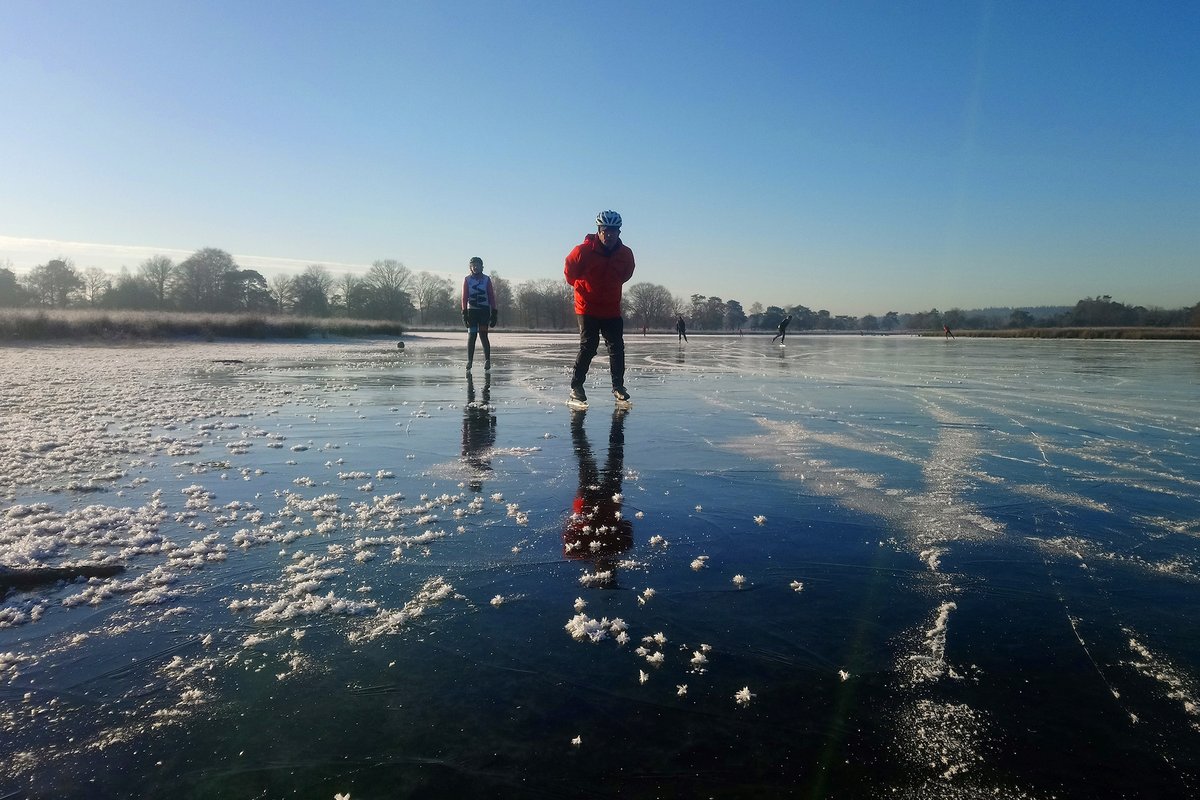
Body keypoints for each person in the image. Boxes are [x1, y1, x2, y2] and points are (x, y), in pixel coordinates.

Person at [564, 210, 636, 404]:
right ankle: (576, 386)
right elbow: (569, 273)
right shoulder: (582, 251)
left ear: (619, 232)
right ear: (599, 231)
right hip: (587, 306)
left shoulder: (625, 254)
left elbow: (626, 274)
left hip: (611, 307)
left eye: (614, 231)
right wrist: (584, 289)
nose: (610, 235)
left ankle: (618, 387)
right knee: (589, 346)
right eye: (606, 231)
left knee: (616, 346)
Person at [563, 407, 633, 586]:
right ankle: (606, 425)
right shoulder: (618, 548)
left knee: (606, 458)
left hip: (594, 502)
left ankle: (580, 425)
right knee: (597, 459)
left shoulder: (620, 548)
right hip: (602, 501)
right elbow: (627, 526)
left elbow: (627, 527)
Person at [461, 257, 498, 371]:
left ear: (482, 267)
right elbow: (464, 297)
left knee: (483, 335)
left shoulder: (487, 279)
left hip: (484, 311)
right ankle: (469, 361)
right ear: (470, 267)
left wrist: (494, 312)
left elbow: (491, 296)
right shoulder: (467, 279)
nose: (475, 267)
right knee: (472, 336)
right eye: (473, 265)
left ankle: (487, 360)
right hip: (472, 311)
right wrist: (464, 313)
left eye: (478, 265)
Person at [461, 372, 495, 493]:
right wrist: (493, 428)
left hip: (475, 429)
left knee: (476, 403)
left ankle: (480, 388)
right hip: (480, 430)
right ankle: (484, 388)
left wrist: (465, 425)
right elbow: (488, 447)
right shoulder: (483, 466)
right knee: (482, 404)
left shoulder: (470, 464)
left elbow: (465, 443)